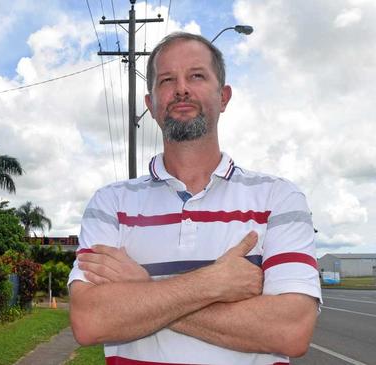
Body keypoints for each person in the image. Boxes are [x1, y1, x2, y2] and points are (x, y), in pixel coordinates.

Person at [68, 32, 321, 365]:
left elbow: (290, 330)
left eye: (197, 76)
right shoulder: (110, 204)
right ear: (151, 104)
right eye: (167, 80)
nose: (181, 89)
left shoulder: (278, 197)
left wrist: (143, 288)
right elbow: (90, 321)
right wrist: (212, 284)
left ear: (224, 97)